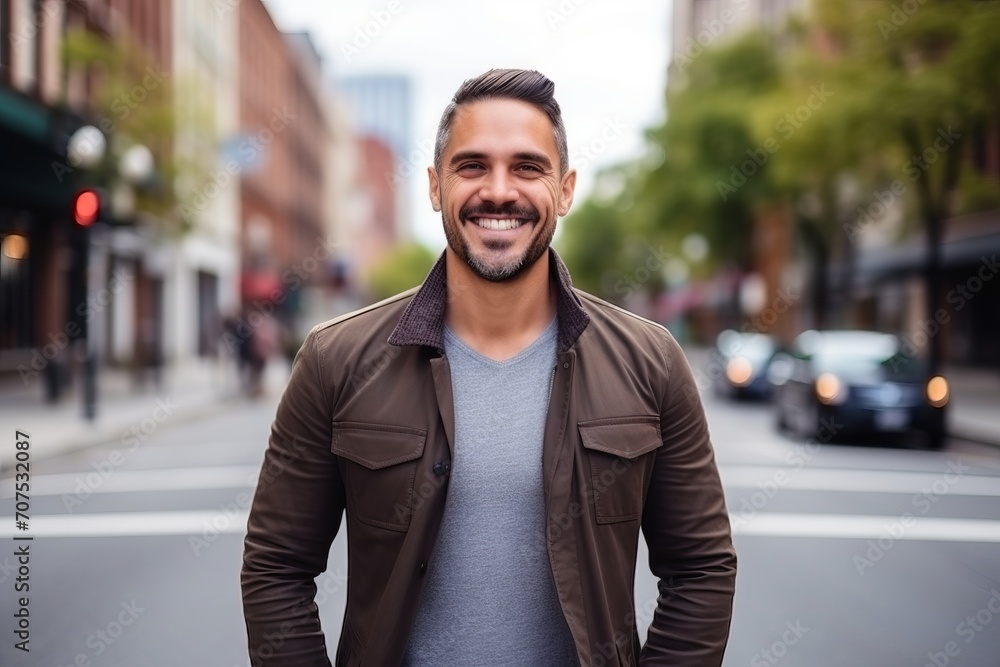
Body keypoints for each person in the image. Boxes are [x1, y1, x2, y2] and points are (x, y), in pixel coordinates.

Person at [241, 68, 736, 666]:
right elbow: (276, 567)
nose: (499, 191)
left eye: (528, 167)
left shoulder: (651, 363)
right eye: (472, 166)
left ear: (566, 189)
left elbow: (701, 570)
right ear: (433, 186)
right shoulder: (336, 360)